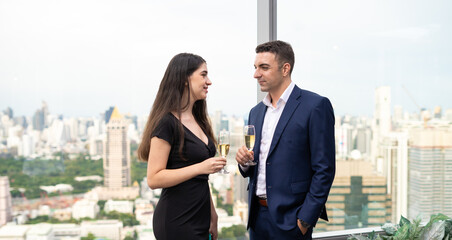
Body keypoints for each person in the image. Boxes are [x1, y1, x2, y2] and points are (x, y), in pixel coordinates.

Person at [235, 40, 336, 239]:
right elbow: (261, 163)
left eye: (264, 67)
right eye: (255, 68)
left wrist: (304, 221)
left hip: (292, 222)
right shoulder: (255, 112)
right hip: (257, 220)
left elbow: (324, 169)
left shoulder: (315, 106)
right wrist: (245, 163)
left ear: (285, 69)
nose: (256, 74)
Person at [138, 53, 226, 240]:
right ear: (185, 79)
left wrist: (213, 214)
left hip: (200, 217)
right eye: (203, 75)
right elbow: (153, 178)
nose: (208, 81)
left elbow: (200, 179)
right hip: (177, 220)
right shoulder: (166, 123)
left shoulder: (199, 119)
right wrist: (201, 167)